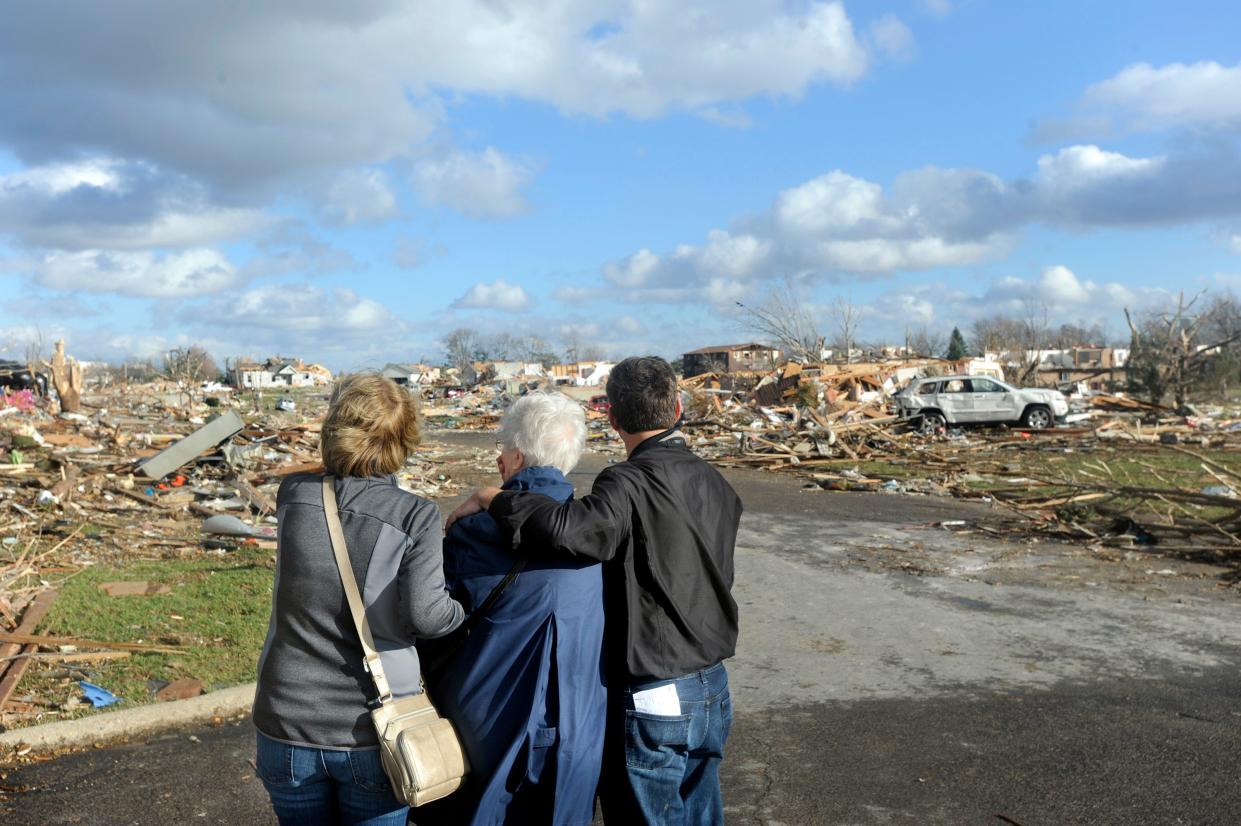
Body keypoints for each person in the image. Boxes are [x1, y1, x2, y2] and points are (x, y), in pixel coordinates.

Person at [450, 356, 742, 825]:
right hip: (713, 686)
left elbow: (574, 529)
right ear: (679, 407)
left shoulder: (627, 482)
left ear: (613, 416)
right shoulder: (715, 481)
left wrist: (494, 498)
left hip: (657, 691)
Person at [252, 373, 465, 826]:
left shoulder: (293, 496)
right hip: (374, 728)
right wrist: (462, 610)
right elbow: (428, 616)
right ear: (405, 438)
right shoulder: (416, 516)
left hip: (285, 721)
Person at [416, 391, 605, 826]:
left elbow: (431, 619)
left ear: (517, 457)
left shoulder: (473, 533)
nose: (499, 459)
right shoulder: (596, 534)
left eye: (502, 449)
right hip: (577, 726)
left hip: (484, 722)